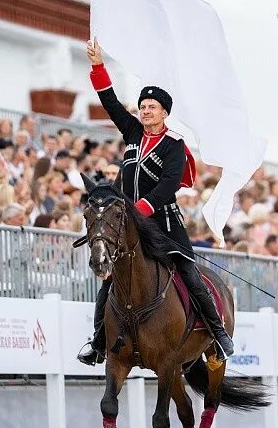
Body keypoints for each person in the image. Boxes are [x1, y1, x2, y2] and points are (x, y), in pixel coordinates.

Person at [77, 38, 234, 366]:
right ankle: (97, 343)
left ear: (164, 113)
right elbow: (110, 103)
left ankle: (217, 333)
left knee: (190, 274)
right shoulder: (133, 133)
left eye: (151, 107)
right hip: (129, 224)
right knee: (111, 281)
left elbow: (167, 186)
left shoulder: (173, 146)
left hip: (163, 223)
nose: (145, 111)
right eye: (143, 106)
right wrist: (97, 66)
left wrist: (142, 208)